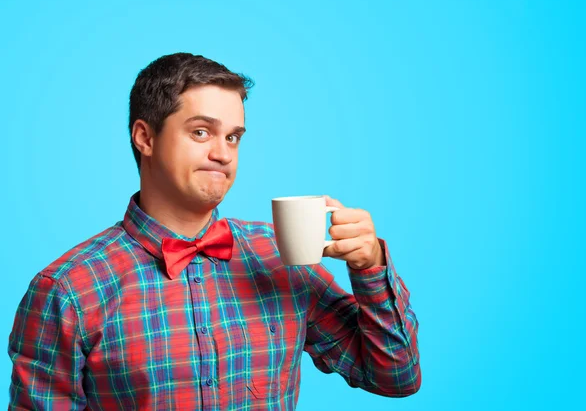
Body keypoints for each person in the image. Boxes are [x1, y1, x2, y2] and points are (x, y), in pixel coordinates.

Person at [8, 52, 421, 410]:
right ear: (145, 137)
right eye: (201, 132)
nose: (223, 154)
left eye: (234, 137)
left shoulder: (282, 259)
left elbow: (395, 377)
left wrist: (369, 267)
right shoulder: (67, 291)